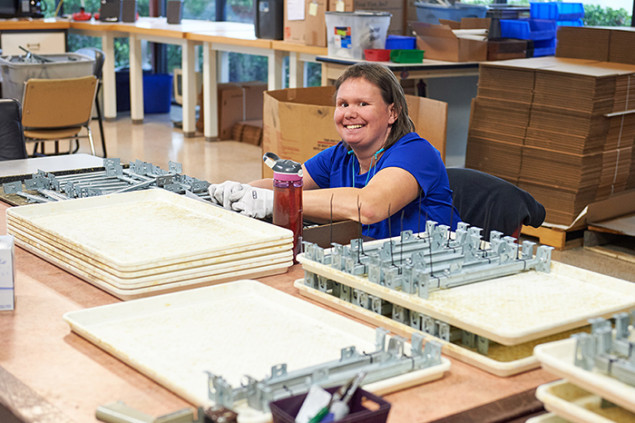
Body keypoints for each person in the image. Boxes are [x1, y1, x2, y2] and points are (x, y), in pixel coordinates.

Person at [209, 62, 459, 239]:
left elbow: (368, 207)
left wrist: (277, 202)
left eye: (363, 104)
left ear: (392, 112)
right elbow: (289, 183)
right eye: (343, 104)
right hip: (372, 263)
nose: (350, 113)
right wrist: (241, 191)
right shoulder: (342, 155)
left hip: (435, 268)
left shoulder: (416, 152)